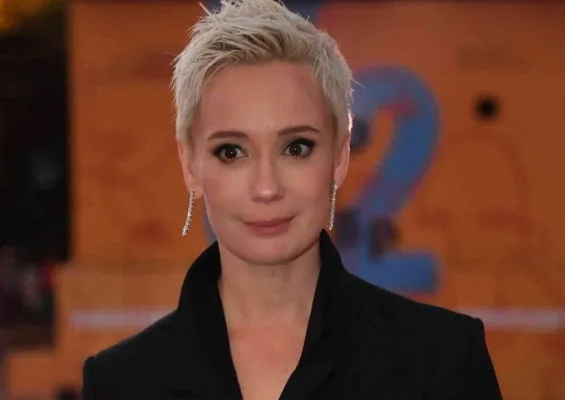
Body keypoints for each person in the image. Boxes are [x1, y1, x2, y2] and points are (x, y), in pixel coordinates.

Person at [81, 1, 502, 399]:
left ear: (340, 155)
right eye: (232, 151)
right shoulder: (120, 382)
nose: (266, 188)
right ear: (189, 164)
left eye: (296, 148)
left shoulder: (446, 360)